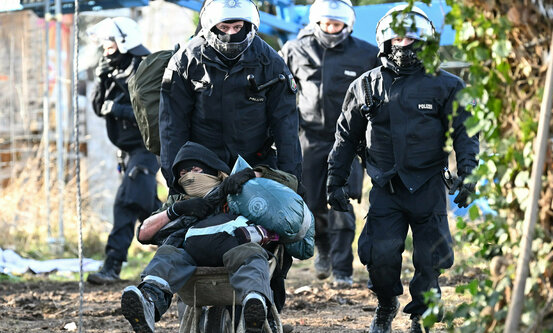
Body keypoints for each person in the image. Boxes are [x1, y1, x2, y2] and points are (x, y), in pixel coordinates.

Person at [326, 5, 479, 333]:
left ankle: (421, 315)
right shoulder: (365, 85)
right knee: (379, 257)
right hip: (385, 186)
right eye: (397, 36)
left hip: (428, 186)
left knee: (429, 261)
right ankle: (385, 305)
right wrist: (335, 181)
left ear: (425, 40)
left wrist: (468, 174)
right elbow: (345, 136)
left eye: (411, 37)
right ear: (383, 39)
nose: (403, 42)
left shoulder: (446, 85)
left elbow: (467, 133)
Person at [121, 141, 307, 333]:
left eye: (195, 169)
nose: (189, 176)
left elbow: (291, 183)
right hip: (192, 258)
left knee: (250, 254)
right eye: (183, 174)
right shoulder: (179, 200)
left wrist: (252, 175)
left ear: (214, 170)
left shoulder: (238, 187)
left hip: (236, 248)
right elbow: (143, 233)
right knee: (168, 253)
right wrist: (176, 210)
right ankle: (149, 302)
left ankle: (255, 302)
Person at [279, 0, 379, 287]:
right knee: (311, 203)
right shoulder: (294, 50)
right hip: (308, 138)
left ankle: (343, 269)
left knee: (342, 202)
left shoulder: (365, 54)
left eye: (337, 25)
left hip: (348, 141)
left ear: (347, 25)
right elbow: (276, 87)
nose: (331, 30)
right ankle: (322, 246)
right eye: (326, 24)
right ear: (316, 22)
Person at [159, 0, 302, 190]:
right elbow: (172, 127)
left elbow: (286, 126)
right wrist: (175, 180)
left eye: (237, 27)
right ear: (211, 25)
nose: (231, 34)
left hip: (254, 168)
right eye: (224, 27)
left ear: (249, 25)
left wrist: (290, 179)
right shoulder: (185, 62)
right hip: (201, 168)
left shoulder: (272, 63)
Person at [86, 17, 161, 285]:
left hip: (147, 148)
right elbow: (98, 107)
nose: (106, 48)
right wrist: (101, 77)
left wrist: (118, 110)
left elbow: (156, 113)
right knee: (148, 207)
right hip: (127, 153)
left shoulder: (145, 67)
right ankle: (181, 246)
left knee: (125, 202)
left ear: (125, 41)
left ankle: (112, 266)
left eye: (110, 42)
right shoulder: (112, 69)